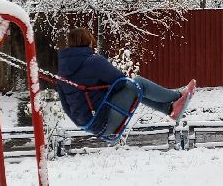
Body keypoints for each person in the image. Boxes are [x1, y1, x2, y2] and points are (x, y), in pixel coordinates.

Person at [54, 26, 196, 136]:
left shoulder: (62, 72)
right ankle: (178, 97)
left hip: (91, 125)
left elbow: (66, 107)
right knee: (137, 83)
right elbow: (120, 82)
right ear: (88, 41)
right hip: (105, 121)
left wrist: (84, 123)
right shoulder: (92, 61)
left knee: (134, 90)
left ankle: (170, 109)